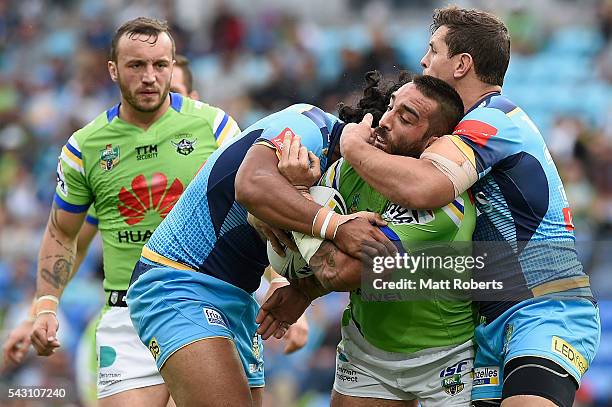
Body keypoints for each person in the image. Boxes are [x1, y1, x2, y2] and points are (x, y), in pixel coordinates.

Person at [337, 6, 600, 407]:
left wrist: (353, 146)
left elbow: (425, 188)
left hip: (545, 306)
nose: (424, 60)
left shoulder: (495, 119)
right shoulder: (458, 128)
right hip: (489, 319)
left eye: (433, 50)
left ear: (461, 64)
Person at [126, 80, 397, 405]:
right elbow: (251, 185)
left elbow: (337, 265)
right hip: (178, 281)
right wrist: (336, 226)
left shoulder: (347, 182)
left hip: (238, 298)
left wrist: (303, 290)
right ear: (371, 133)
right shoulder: (307, 123)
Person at [26, 17, 242, 407]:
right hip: (127, 314)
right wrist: (45, 306)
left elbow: (250, 211)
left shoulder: (215, 128)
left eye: (160, 65)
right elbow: (62, 231)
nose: (150, 77)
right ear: (113, 70)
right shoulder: (85, 147)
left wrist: (278, 282)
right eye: (136, 65)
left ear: (173, 66)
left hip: (202, 303)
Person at [257, 73, 477, 407]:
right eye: (391, 107)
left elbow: (341, 271)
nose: (386, 121)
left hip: (446, 356)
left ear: (433, 142)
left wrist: (301, 198)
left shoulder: (447, 204)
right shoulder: (346, 172)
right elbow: (274, 218)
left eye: (406, 118)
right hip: (368, 353)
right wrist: (301, 284)